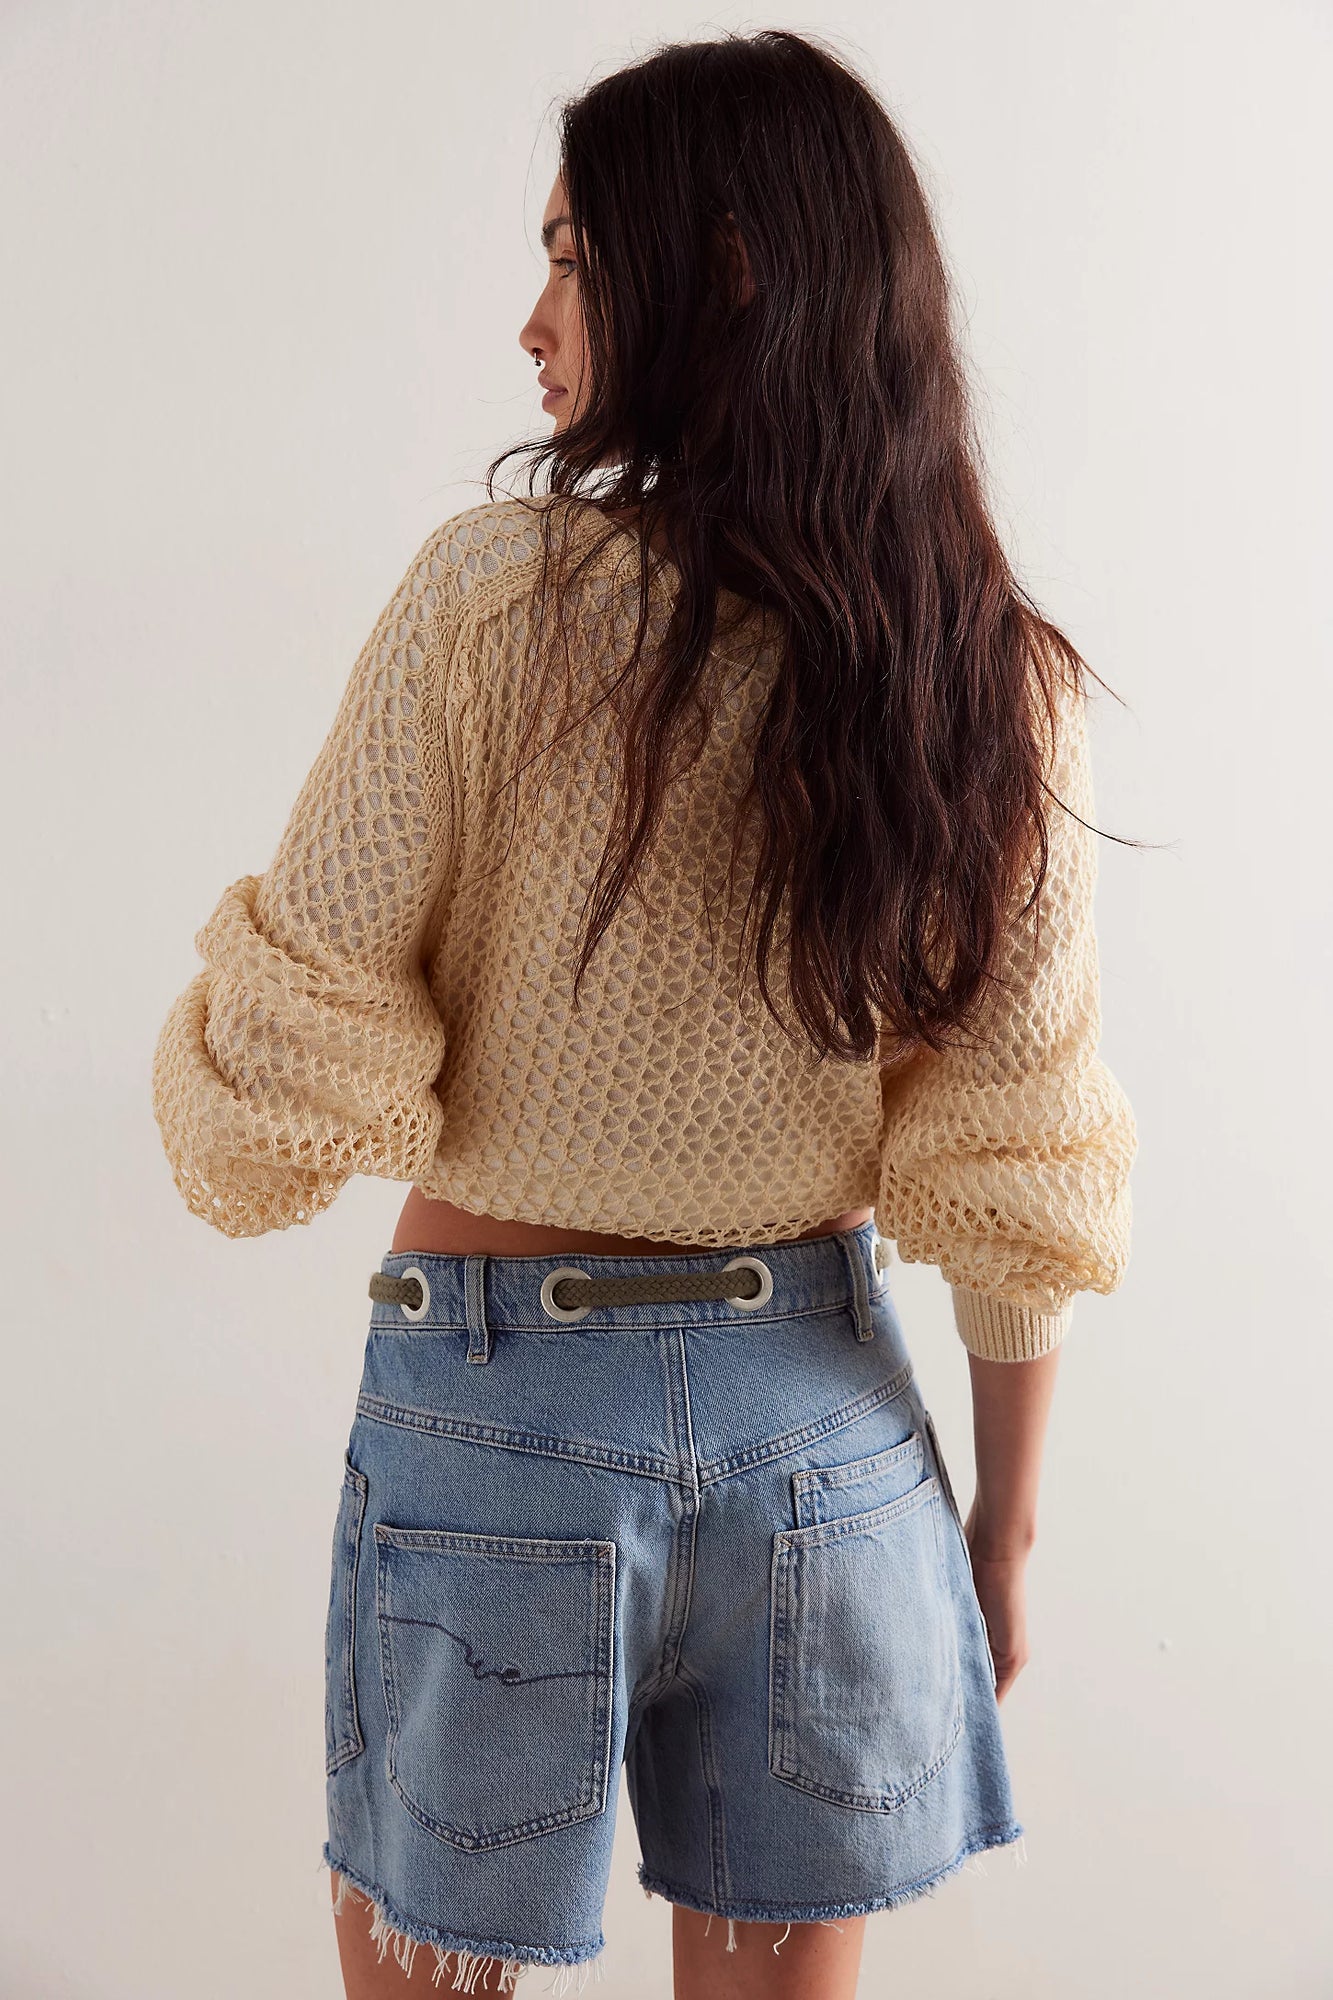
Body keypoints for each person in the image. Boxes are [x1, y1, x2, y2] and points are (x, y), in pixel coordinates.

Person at [150, 27, 1136, 2000]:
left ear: (730, 269)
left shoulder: (492, 603)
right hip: (827, 1444)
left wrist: (256, 1087)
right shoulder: (981, 677)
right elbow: (1018, 1156)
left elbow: (287, 1041)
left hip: (500, 1415)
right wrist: (1002, 1534)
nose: (531, 323)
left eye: (570, 260)